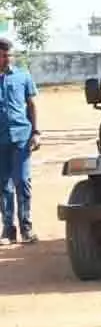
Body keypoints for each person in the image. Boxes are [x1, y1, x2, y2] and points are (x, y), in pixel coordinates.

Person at [0, 38, 39, 245]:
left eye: (9, 55)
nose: (7, 59)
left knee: (23, 181)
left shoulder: (23, 76)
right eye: (3, 56)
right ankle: (8, 230)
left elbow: (31, 105)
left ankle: (26, 227)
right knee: (3, 185)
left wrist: (36, 132)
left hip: (22, 136)